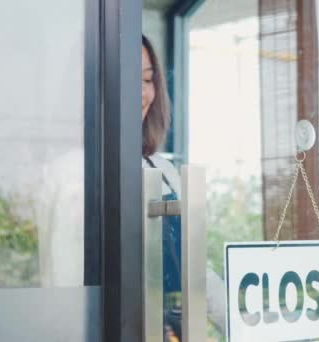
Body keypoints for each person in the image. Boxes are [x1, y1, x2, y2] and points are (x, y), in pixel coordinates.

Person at [141, 35, 225, 341]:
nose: (141, 92)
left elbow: (195, 269)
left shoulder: (160, 169)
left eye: (148, 79)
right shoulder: (79, 171)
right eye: (128, 79)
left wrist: (242, 326)